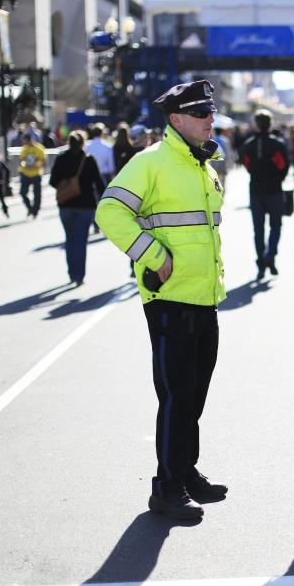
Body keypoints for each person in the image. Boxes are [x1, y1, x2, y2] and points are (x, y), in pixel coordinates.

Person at [95, 80, 228, 521]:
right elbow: (109, 210)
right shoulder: (151, 162)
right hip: (170, 298)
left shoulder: (201, 165)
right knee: (176, 396)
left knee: (195, 396)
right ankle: (166, 489)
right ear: (176, 120)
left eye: (210, 113)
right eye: (201, 114)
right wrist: (151, 254)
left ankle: (185, 471)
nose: (211, 120)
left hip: (202, 297)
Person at [48, 131, 105, 286]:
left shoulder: (61, 159)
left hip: (66, 205)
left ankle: (72, 273)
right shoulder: (88, 160)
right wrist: (104, 201)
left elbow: (53, 181)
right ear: (83, 143)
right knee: (81, 241)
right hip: (86, 205)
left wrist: (66, 183)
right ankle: (79, 276)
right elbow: (99, 183)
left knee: (70, 240)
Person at [241, 109, 290, 280]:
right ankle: (271, 256)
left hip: (256, 191)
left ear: (256, 124)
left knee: (258, 229)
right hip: (274, 190)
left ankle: (261, 262)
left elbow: (247, 166)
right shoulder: (278, 145)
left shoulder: (248, 145)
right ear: (270, 124)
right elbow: (283, 167)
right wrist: (277, 179)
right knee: (276, 226)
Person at [18, 133, 46, 218]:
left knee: (37, 194)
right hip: (26, 173)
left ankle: (35, 211)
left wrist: (36, 165)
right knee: (23, 193)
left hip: (36, 173)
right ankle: (29, 208)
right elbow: (21, 160)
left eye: (25, 141)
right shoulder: (24, 148)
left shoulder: (39, 148)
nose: (25, 143)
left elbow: (43, 160)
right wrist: (24, 165)